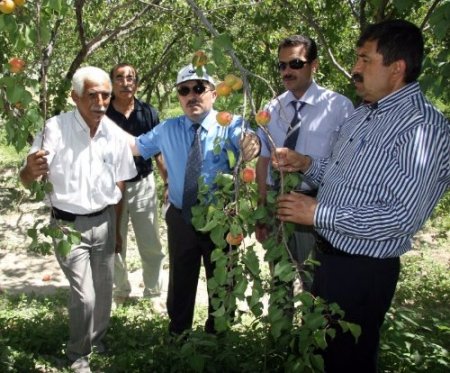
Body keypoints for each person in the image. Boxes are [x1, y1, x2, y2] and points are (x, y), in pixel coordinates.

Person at [274, 20, 450, 373]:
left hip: (363, 270)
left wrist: (319, 214)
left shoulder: (423, 127)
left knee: (349, 360)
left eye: (364, 59)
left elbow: (401, 218)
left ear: (396, 68)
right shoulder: (364, 115)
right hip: (328, 261)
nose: (355, 69)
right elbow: (340, 179)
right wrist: (306, 163)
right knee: (324, 354)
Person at [123, 64, 260, 335]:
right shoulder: (167, 129)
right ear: (179, 97)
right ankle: (179, 335)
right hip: (181, 216)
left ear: (214, 94)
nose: (192, 95)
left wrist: (251, 142)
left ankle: (218, 335)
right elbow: (135, 147)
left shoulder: (229, 123)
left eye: (199, 88)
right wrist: (99, 123)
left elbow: (249, 141)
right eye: (184, 90)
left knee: (222, 281)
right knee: (180, 281)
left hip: (221, 220)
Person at [19, 66, 137, 373]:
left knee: (104, 288)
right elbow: (27, 177)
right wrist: (30, 171)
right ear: (75, 97)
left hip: (106, 220)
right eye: (92, 95)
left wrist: (118, 228)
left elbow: (121, 182)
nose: (100, 101)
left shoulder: (113, 133)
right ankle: (77, 355)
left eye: (105, 95)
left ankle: (97, 339)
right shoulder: (55, 129)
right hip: (67, 224)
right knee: (84, 295)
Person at [255, 35, 353, 287]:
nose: (287, 71)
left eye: (295, 64)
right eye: (282, 65)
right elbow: (264, 160)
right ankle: (282, 327)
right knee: (279, 279)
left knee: (316, 281)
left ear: (314, 65)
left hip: (317, 205)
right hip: (277, 203)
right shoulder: (272, 107)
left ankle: (314, 326)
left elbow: (348, 165)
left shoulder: (339, 107)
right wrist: (262, 208)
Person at [106, 63, 167, 307]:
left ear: (137, 84)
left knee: (150, 240)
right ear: (112, 83)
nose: (125, 82)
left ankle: (153, 292)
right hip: (109, 187)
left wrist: (168, 181)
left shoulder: (148, 112)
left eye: (130, 78)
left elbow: (158, 151)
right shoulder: (103, 112)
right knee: (113, 239)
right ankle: (120, 290)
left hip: (143, 184)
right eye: (119, 78)